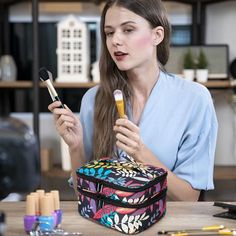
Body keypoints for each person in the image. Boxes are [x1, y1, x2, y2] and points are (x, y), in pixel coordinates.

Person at [48, 0, 218, 201]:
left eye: (128, 30)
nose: (115, 41)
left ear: (157, 35)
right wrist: (75, 147)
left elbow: (188, 198)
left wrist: (142, 154)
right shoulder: (93, 99)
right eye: (109, 33)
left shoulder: (194, 99)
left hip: (167, 228)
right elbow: (84, 197)